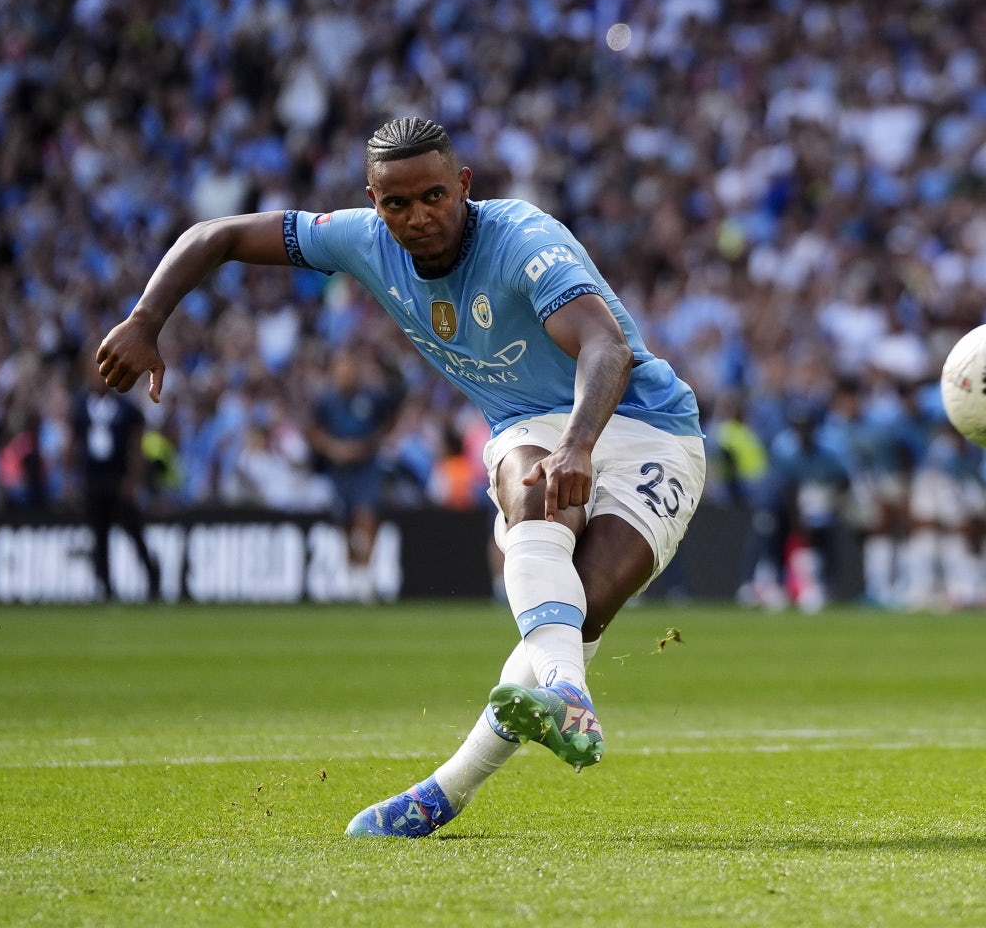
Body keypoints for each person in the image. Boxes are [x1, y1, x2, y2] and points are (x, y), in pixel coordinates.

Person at [95, 116, 706, 836]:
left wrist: (579, 443)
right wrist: (145, 317)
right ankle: (565, 699)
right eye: (397, 203)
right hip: (531, 427)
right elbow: (216, 236)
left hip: (645, 425)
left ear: (464, 186)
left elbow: (605, 346)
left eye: (434, 197)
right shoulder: (358, 239)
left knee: (585, 609)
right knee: (540, 537)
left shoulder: (522, 238)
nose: (418, 217)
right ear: (373, 200)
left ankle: (449, 788)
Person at [307, 349, 404, 599]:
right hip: (337, 469)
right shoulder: (326, 401)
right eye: (342, 368)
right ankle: (351, 573)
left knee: (367, 516)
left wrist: (370, 444)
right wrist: (333, 448)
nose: (346, 373)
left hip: (366, 466)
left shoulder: (372, 397)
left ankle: (365, 574)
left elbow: (389, 421)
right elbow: (313, 430)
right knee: (344, 523)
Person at [68, 362, 159, 601]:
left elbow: (136, 448)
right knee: (99, 535)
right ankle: (106, 587)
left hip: (118, 476)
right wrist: (72, 480)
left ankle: (152, 580)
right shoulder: (80, 406)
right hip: (93, 477)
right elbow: (73, 445)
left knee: (134, 531)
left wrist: (132, 480)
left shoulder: (126, 408)